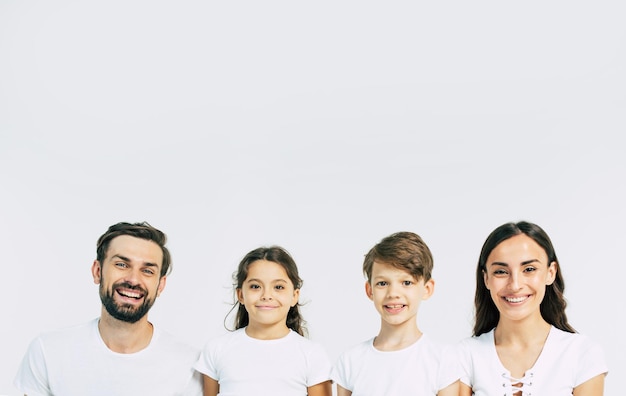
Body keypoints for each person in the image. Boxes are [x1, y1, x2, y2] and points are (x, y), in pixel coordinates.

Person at [14, 221, 203, 396]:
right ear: (98, 271)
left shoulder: (189, 364)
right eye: (121, 264)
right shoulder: (48, 351)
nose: (133, 279)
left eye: (147, 271)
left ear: (160, 285)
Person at [458, 221, 608, 396]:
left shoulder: (582, 353)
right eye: (501, 271)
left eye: (529, 269)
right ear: (486, 279)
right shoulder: (465, 355)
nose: (515, 285)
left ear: (550, 273)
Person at [331, 231, 460, 396]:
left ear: (427, 289)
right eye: (382, 283)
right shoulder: (350, 361)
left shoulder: (443, 360)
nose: (393, 293)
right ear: (369, 290)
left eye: (406, 282)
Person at [194, 246, 332, 396]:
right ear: (240, 295)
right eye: (255, 286)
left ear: (294, 296)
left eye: (278, 287)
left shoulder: (312, 355)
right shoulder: (217, 350)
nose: (267, 295)